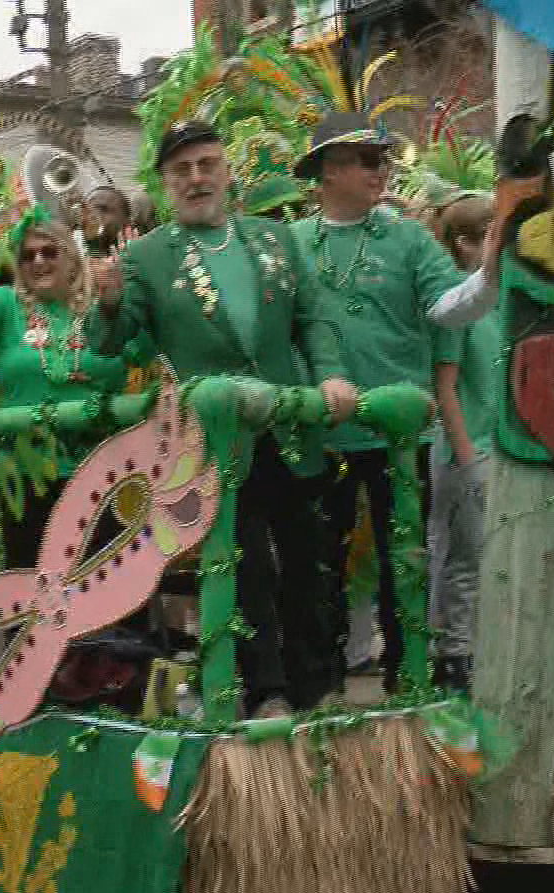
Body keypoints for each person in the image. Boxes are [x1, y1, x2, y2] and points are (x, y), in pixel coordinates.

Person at [90, 121, 355, 717]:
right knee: (245, 568)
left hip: (292, 428)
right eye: (182, 170)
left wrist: (330, 375)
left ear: (227, 171)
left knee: (313, 559)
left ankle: (320, 689)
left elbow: (313, 318)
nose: (197, 178)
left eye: (207, 164)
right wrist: (106, 302)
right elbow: (111, 342)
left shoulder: (276, 238)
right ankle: (267, 692)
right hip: (212, 444)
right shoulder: (144, 256)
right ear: (163, 184)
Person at [289, 110, 501, 694]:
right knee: (317, 563)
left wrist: (490, 272)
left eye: (384, 158)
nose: (381, 168)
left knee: (404, 558)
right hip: (318, 430)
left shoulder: (408, 239)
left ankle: (407, 684)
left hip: (401, 435)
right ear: (328, 171)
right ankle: (319, 690)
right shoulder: (289, 243)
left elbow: (449, 307)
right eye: (366, 159)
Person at [0, 201, 134, 569]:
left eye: (48, 252)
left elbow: (142, 347)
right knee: (34, 593)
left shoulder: (101, 307)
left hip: (103, 474)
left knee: (106, 587)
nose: (38, 262)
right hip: (26, 480)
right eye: (27, 256)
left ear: (71, 258)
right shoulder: (5, 307)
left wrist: (122, 297)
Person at [426, 193, 504, 692]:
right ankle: (453, 653)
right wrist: (467, 456)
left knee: (484, 554)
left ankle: (472, 645)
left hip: (496, 444)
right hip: (465, 447)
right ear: (465, 243)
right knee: (464, 555)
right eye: (492, 239)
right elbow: (445, 385)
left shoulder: (497, 301)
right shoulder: (458, 300)